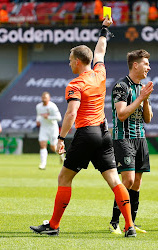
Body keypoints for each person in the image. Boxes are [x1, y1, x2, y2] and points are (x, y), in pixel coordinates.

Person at [30, 16, 136, 237]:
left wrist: (61, 138)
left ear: (78, 61)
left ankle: (54, 225)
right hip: (103, 133)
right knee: (115, 180)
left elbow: (71, 113)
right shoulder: (100, 73)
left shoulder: (75, 84)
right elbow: (100, 50)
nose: (69, 63)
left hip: (86, 133)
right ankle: (129, 226)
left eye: (70, 59)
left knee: (64, 178)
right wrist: (104, 29)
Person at [109, 49, 153, 235]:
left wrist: (146, 100)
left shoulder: (141, 88)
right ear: (135, 65)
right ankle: (114, 222)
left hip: (140, 138)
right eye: (145, 64)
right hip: (123, 138)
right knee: (128, 180)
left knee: (137, 183)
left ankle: (131, 223)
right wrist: (141, 98)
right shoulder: (121, 86)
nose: (148, 67)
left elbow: (148, 119)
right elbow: (121, 114)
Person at [36, 92, 62, 170]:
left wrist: (49, 117)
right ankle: (43, 164)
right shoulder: (38, 106)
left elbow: (59, 118)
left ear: (49, 98)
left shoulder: (52, 106)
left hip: (52, 128)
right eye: (43, 97)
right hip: (43, 128)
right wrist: (37, 120)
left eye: (45, 97)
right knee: (42, 144)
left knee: (53, 147)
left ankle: (61, 155)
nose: (44, 99)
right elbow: (38, 115)